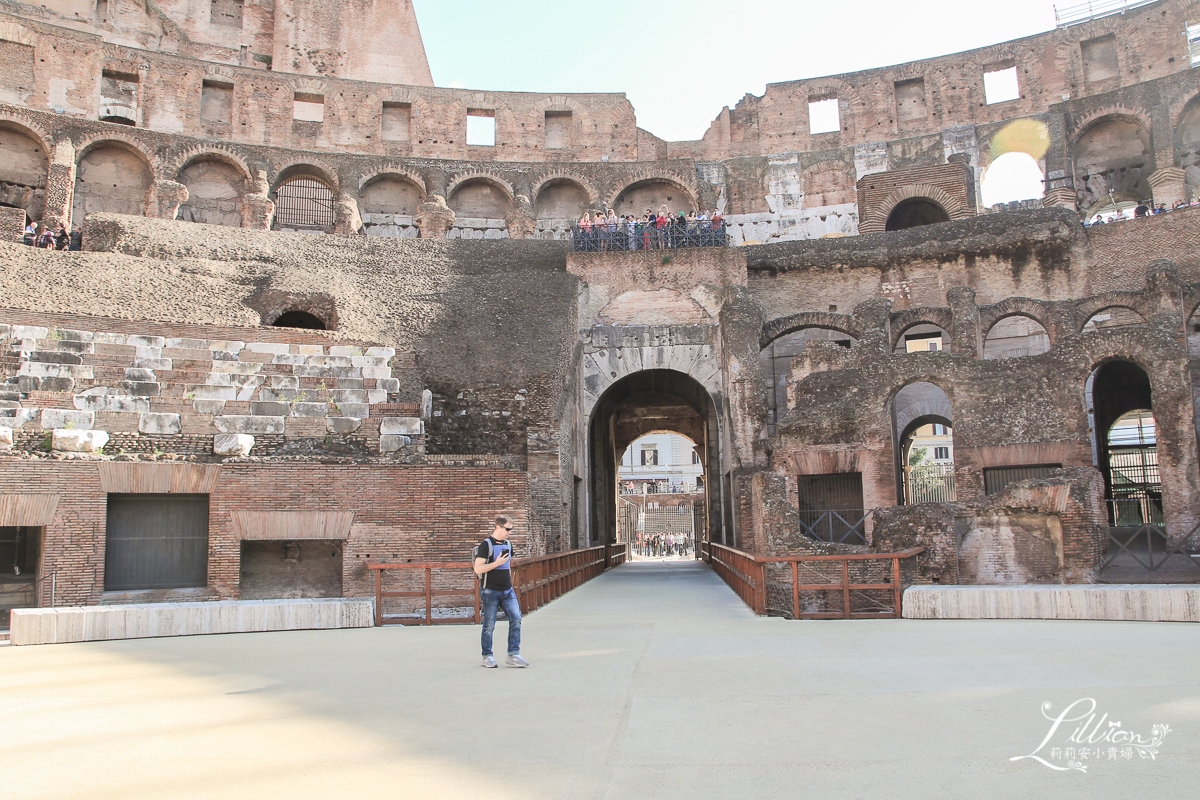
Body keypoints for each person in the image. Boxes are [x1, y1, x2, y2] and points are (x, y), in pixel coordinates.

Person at [473, 515, 528, 668]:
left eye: (511, 529)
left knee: (516, 618)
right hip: (490, 591)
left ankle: (513, 654)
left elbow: (508, 565)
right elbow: (478, 569)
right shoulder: (486, 545)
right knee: (489, 625)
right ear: (498, 527)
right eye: (507, 529)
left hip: (507, 590)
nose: (509, 532)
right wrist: (496, 563)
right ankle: (487, 656)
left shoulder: (508, 544)